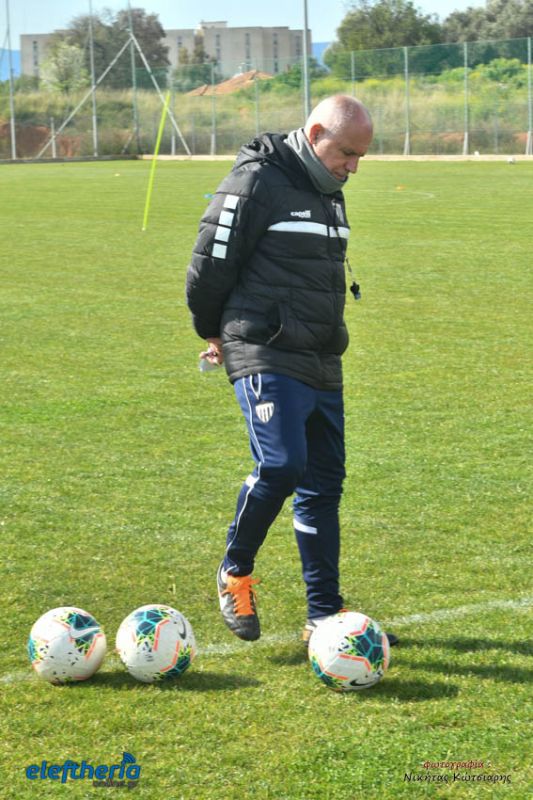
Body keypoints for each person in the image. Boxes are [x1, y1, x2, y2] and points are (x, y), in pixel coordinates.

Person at [186, 95, 398, 648]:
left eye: (361, 157)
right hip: (263, 346)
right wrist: (211, 330)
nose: (353, 166)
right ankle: (235, 570)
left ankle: (323, 614)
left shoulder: (329, 191)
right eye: (347, 153)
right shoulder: (257, 180)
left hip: (321, 354)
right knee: (282, 465)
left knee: (323, 486)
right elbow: (210, 259)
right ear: (316, 132)